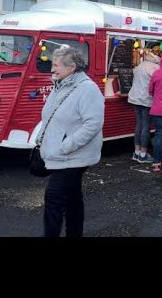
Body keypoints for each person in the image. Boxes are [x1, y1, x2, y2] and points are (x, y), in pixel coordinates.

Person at [40, 46, 104, 237]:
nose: (52, 69)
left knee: (54, 197)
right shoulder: (61, 84)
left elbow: (93, 124)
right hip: (64, 153)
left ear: (72, 67)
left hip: (74, 155)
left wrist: (65, 146)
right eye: (53, 64)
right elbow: (51, 115)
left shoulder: (88, 89)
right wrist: (41, 138)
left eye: (56, 65)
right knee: (72, 197)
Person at [126, 49, 160, 164]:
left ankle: (136, 152)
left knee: (139, 125)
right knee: (146, 126)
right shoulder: (155, 68)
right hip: (146, 99)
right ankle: (143, 154)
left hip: (135, 98)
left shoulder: (140, 66)